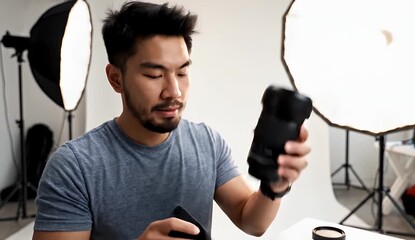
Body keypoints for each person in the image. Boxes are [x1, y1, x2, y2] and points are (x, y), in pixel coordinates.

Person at [32, 1, 311, 240]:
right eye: (155, 75)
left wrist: (274, 186)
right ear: (116, 78)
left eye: (182, 72)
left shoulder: (207, 143)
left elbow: (252, 221)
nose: (173, 92)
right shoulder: (74, 167)